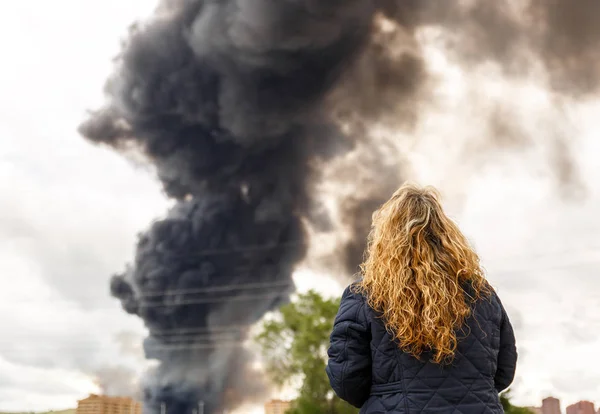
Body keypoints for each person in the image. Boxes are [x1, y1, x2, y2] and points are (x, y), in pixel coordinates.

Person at [326, 183, 517, 413]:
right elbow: (504, 371)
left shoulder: (364, 297)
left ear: (385, 239)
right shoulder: (482, 294)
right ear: (447, 234)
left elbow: (346, 379)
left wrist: (388, 396)